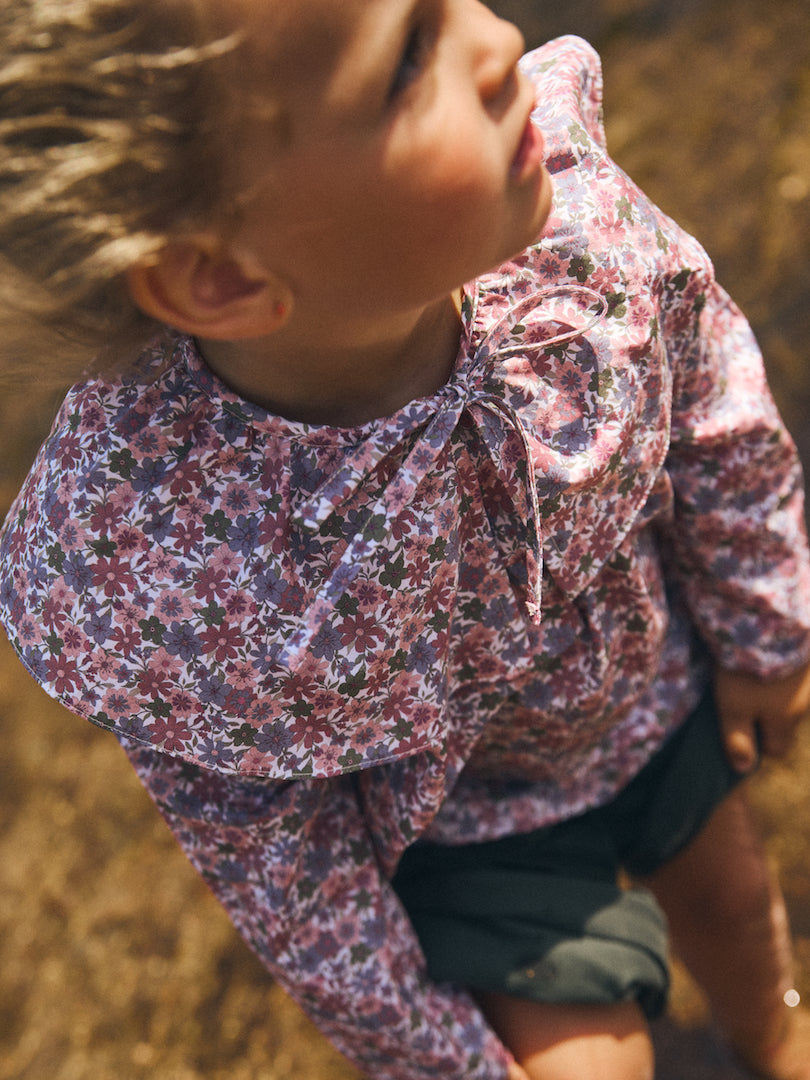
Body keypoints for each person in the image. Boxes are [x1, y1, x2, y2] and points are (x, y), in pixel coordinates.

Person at [1, 1, 810, 1077]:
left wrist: (766, 625)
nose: (492, 41)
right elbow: (281, 864)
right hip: (469, 818)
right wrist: (444, 1056)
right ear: (225, 277)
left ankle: (776, 1030)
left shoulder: (574, 239)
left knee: (733, 902)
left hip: (648, 685)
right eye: (408, 59)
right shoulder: (162, 560)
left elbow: (713, 405)